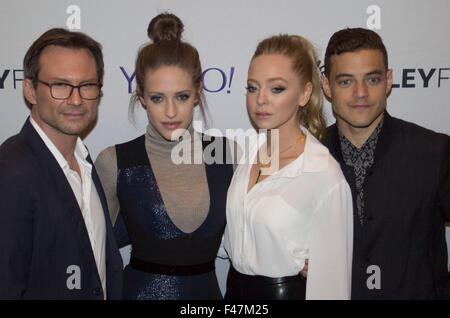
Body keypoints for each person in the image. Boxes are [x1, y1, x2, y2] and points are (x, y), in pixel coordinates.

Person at [95, 13, 234, 300]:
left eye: (181, 96)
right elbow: (91, 249)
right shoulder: (115, 161)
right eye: (158, 98)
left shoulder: (228, 153)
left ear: (197, 93)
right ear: (142, 97)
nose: (171, 112)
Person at [321, 27, 450, 299]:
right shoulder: (306, 155)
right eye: (345, 81)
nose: (360, 93)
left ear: (389, 80)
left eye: (373, 79)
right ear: (326, 85)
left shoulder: (434, 151)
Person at [223, 34, 353, 300]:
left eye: (277, 89)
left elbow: (332, 287)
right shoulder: (247, 159)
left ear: (304, 93)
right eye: (252, 87)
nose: (260, 99)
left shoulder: (322, 173)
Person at [0, 28, 123, 299]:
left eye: (87, 85)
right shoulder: (11, 173)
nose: (76, 99)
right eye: (60, 86)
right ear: (30, 90)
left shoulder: (85, 159)